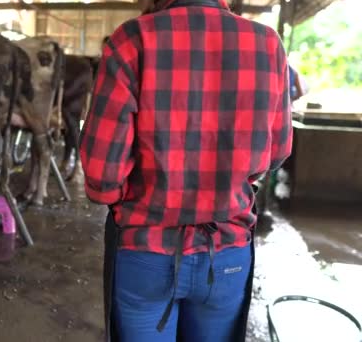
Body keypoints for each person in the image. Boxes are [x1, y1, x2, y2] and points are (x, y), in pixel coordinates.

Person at [79, 0, 292, 341]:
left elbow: (101, 178)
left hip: (145, 251)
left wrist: (133, 196)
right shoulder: (267, 43)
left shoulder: (133, 39)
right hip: (226, 254)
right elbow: (277, 153)